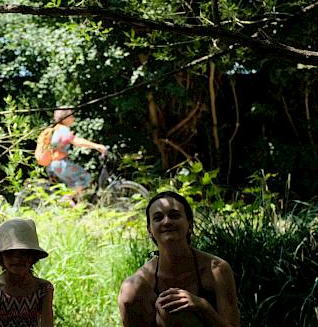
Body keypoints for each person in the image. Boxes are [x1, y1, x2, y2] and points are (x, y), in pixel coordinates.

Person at [118, 191, 240, 327]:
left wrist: (203, 306)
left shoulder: (216, 269)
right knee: (130, 293)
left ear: (190, 225)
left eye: (174, 216)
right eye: (158, 218)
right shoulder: (142, 282)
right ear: (150, 230)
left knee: (170, 310)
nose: (167, 222)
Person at [0, 218, 54, 327]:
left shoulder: (44, 289)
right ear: (1, 258)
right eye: (10, 254)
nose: (17, 259)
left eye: (23, 253)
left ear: (33, 256)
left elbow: (47, 324)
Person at [46, 108, 107, 206]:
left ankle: (72, 208)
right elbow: (76, 141)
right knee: (85, 178)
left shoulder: (57, 128)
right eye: (71, 116)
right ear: (64, 118)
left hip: (55, 164)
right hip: (60, 164)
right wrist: (96, 146)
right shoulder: (63, 129)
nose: (73, 118)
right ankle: (65, 200)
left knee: (74, 186)